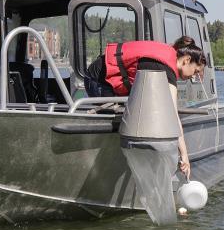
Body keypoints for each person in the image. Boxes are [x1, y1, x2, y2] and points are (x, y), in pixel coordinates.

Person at [84, 36, 207, 178]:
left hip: (102, 74)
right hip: (97, 80)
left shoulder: (168, 58)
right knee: (118, 120)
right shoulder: (165, 69)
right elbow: (173, 116)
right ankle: (104, 171)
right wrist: (184, 154)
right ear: (186, 60)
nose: (193, 77)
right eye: (196, 71)